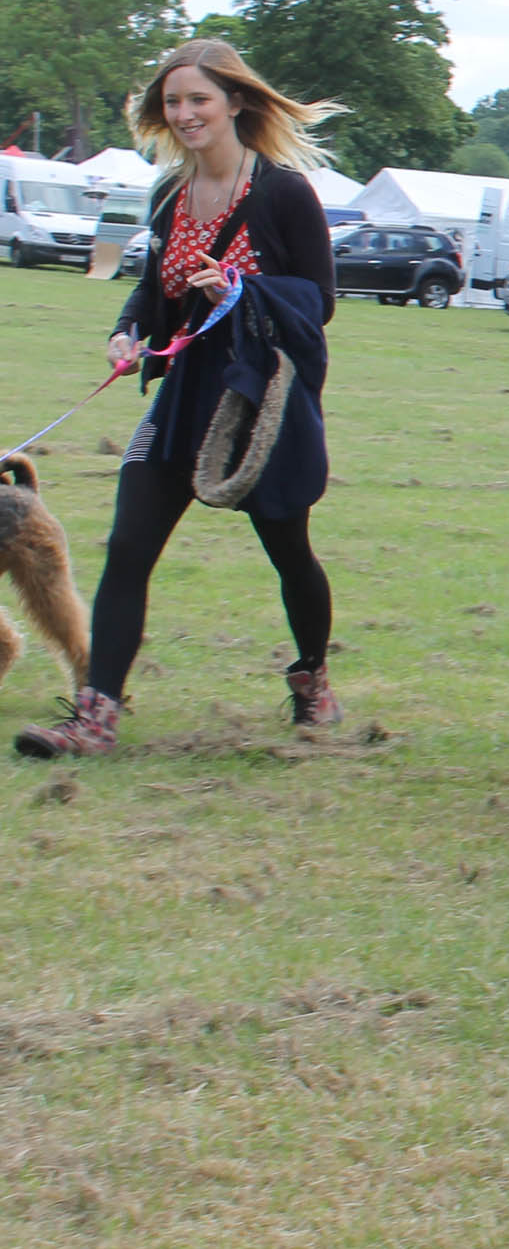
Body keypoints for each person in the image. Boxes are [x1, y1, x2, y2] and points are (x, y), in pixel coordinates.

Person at [17, 40, 346, 758]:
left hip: (261, 401)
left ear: (234, 101)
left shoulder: (284, 194)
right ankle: (96, 715)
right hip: (186, 394)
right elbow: (153, 286)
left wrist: (240, 289)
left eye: (198, 98)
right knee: (128, 545)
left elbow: (318, 302)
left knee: (290, 552)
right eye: (173, 101)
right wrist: (129, 330)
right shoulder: (170, 191)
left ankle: (313, 680)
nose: (185, 113)